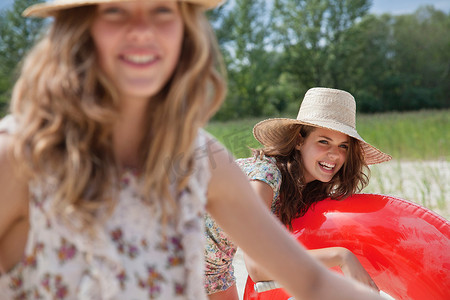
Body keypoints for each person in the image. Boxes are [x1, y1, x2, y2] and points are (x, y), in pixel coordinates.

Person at [0, 0, 388, 299]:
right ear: (80, 29)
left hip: (210, 273)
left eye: (163, 11)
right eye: (116, 11)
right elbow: (259, 267)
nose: (142, 31)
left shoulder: (207, 159)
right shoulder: (20, 155)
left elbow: (307, 278)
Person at [205, 87, 392, 299]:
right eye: (324, 141)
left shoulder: (304, 189)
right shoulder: (266, 177)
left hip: (215, 268)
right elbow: (257, 268)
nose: (335, 155)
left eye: (343, 146)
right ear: (299, 140)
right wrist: (341, 256)